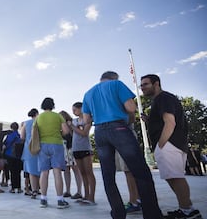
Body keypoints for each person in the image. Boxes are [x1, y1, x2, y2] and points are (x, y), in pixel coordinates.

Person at [82, 71, 163, 219]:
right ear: (114, 78)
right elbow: (131, 107)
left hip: (100, 132)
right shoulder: (116, 84)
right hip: (119, 128)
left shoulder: (88, 93)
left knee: (108, 176)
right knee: (141, 172)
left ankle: (118, 214)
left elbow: (87, 119)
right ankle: (152, 214)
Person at [140, 74, 202, 219]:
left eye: (145, 84)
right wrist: (150, 120)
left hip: (169, 143)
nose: (142, 88)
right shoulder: (162, 99)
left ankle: (189, 211)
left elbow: (170, 122)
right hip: (172, 143)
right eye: (141, 85)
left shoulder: (163, 98)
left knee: (176, 177)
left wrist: (162, 144)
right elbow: (164, 121)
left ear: (156, 84)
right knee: (172, 177)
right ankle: (186, 208)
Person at [37, 97, 70, 209]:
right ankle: (60, 200)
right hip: (56, 144)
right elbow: (66, 131)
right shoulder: (58, 116)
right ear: (53, 105)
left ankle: (43, 199)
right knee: (57, 172)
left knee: (44, 172)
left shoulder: (39, 117)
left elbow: (35, 132)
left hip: (42, 145)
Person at [71, 102, 96, 205]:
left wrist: (72, 127)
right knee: (82, 173)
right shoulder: (74, 121)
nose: (73, 112)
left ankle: (92, 197)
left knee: (89, 172)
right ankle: (85, 195)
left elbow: (84, 133)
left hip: (85, 148)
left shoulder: (87, 120)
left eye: (75, 110)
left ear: (81, 108)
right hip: (76, 149)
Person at [59, 110, 83, 200]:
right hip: (65, 149)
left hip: (71, 148)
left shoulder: (71, 123)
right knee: (66, 170)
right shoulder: (61, 126)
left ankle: (79, 191)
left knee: (75, 170)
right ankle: (68, 191)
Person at [20, 108, 41, 199]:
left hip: (28, 148)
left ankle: (34, 190)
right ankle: (39, 189)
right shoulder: (40, 122)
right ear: (37, 113)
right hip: (39, 148)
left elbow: (22, 136)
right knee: (40, 170)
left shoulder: (25, 123)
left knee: (31, 171)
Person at [3, 122, 23, 194]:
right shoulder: (19, 135)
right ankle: (19, 188)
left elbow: (5, 145)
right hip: (18, 156)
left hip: (10, 155)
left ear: (11, 128)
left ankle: (13, 188)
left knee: (12, 172)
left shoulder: (9, 136)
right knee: (18, 172)